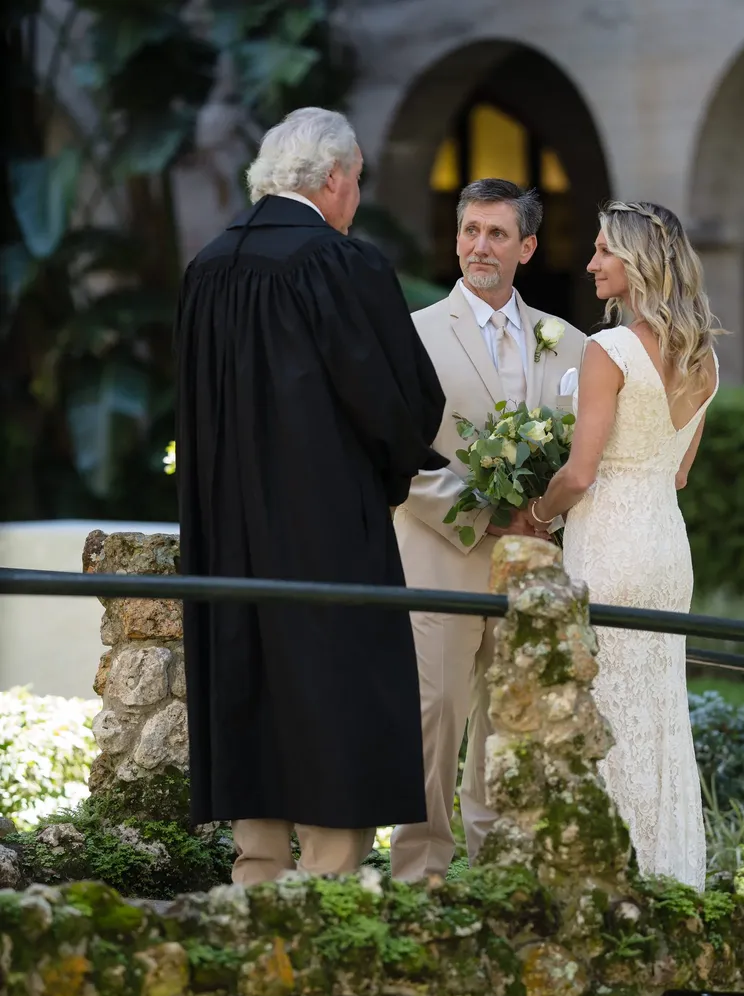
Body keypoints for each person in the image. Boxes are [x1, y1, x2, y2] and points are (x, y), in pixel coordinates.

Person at [175, 107, 448, 883]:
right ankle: (328, 885)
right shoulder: (340, 264)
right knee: (335, 682)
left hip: (226, 529)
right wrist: (390, 471)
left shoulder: (207, 267)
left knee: (248, 674)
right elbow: (398, 403)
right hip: (326, 524)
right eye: (356, 182)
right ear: (333, 180)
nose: (355, 199)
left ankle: (255, 873)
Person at [390, 178, 585, 882]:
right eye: (470, 230)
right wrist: (481, 511)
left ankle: (497, 871)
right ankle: (421, 873)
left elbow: (586, 452)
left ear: (527, 247)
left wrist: (541, 514)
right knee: (434, 714)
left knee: (508, 719)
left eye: (497, 234)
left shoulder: (570, 345)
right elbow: (394, 453)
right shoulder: (411, 333)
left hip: (529, 560)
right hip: (439, 552)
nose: (480, 246)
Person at [528, 200, 721, 890]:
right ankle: (669, 880)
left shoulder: (607, 349)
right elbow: (679, 472)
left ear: (637, 261)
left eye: (604, 249)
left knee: (603, 709)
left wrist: (538, 511)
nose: (591, 263)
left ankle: (607, 883)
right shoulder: (704, 358)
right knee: (659, 715)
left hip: (609, 544)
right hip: (666, 546)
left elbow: (579, 473)